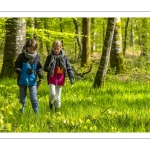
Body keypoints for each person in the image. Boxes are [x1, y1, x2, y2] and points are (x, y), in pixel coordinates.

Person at [14, 39, 43, 114]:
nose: (31, 51)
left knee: (33, 98)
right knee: (22, 99)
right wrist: (19, 70)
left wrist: (40, 74)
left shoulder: (37, 57)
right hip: (22, 81)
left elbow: (39, 67)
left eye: (33, 49)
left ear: (35, 49)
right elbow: (16, 66)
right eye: (29, 49)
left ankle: (37, 114)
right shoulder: (21, 56)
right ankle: (21, 114)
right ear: (26, 47)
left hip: (32, 81)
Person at [44, 40, 74, 112]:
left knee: (58, 97)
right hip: (52, 78)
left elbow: (69, 68)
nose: (56, 50)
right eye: (54, 48)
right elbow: (45, 67)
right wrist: (49, 68)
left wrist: (71, 77)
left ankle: (56, 112)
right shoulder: (49, 57)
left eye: (57, 48)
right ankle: (50, 102)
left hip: (60, 78)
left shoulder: (64, 58)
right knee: (52, 94)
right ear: (52, 48)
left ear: (61, 48)